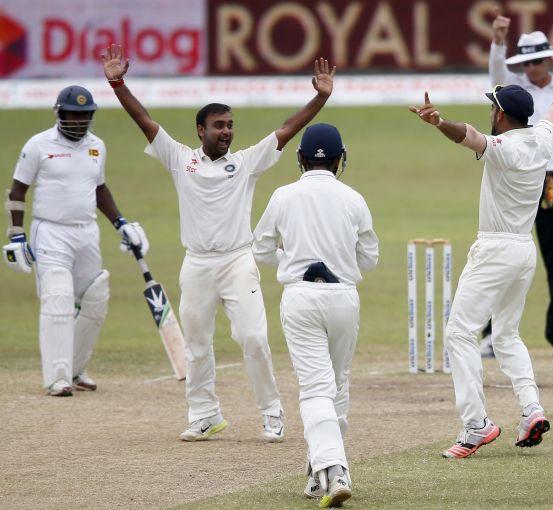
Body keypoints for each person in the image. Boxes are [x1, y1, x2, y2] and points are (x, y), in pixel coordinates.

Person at [100, 44, 337, 443]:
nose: (226, 131)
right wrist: (117, 83)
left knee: (253, 338)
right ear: (201, 130)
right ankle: (205, 414)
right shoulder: (180, 159)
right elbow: (144, 120)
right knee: (196, 344)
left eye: (229, 125)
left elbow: (287, 129)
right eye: (218, 125)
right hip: (196, 265)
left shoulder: (244, 162)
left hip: (237, 261)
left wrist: (320, 96)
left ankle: (272, 412)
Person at [409, 55, 553, 458]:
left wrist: (438, 123)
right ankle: (531, 410)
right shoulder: (541, 139)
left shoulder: (503, 148)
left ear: (503, 115)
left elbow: (468, 136)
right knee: (505, 335)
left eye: (493, 106)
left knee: (458, 332)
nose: (489, 112)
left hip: (495, 248)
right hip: (524, 250)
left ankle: (476, 424)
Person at [253, 123, 378, 507]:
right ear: (341, 159)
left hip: (301, 297)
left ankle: (333, 468)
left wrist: (289, 260)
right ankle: (316, 473)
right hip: (343, 296)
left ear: (300, 158)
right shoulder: (354, 198)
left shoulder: (283, 195)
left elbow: (260, 250)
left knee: (315, 389)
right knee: (336, 385)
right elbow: (370, 258)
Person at [3, 85, 148, 397]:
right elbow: (17, 191)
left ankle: (76, 367)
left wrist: (121, 224)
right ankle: (57, 377)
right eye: (74, 114)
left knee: (96, 297)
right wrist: (16, 235)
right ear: (60, 113)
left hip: (87, 232)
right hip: (51, 231)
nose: (80, 121)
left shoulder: (97, 146)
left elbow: (99, 189)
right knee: (58, 298)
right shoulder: (39, 145)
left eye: (85, 115)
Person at [479, 11, 553, 359]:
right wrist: (498, 42)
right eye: (525, 63)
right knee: (503, 250)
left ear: (548, 60)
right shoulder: (516, 93)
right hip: (516, 175)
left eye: (535, 62)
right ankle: (490, 334)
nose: (530, 69)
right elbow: (496, 77)